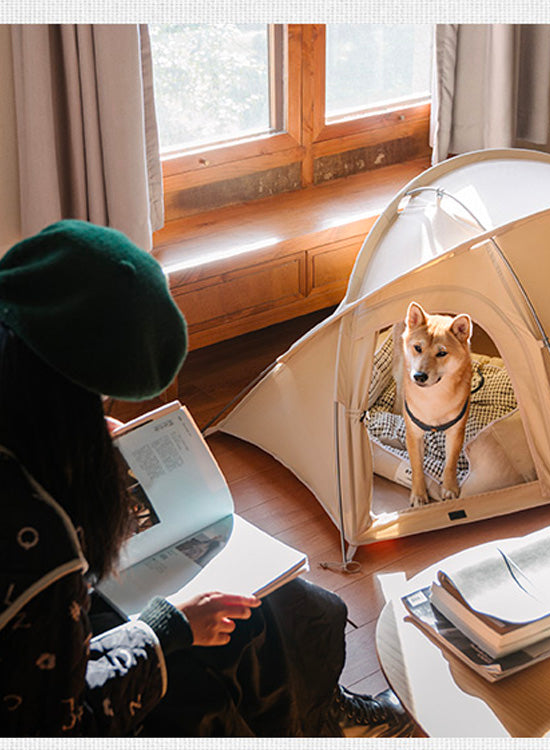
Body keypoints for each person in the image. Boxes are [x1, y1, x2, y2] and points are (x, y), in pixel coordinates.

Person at [0, 220, 414, 737]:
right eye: (92, 400)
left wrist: (71, 435)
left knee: (279, 598)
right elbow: (58, 726)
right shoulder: (38, 545)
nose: (101, 410)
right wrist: (166, 629)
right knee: (207, 670)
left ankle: (327, 712)